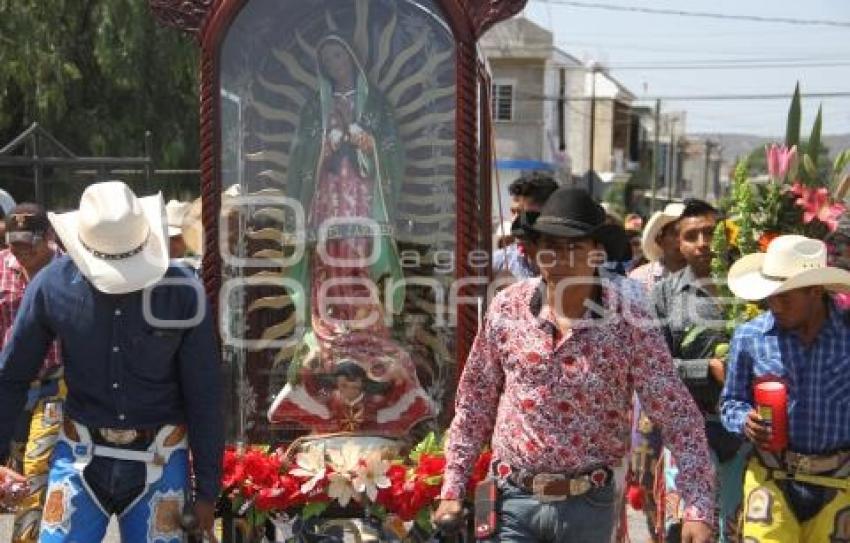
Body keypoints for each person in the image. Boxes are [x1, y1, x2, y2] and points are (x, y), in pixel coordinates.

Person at [434, 187, 716, 543]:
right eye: (551, 246)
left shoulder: (629, 314)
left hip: (590, 506)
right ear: (536, 253)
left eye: (575, 247)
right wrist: (452, 490)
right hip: (511, 501)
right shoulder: (507, 308)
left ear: (597, 253)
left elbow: (677, 414)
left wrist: (698, 508)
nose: (561, 258)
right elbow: (474, 403)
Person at [0, 181, 222, 542]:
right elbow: (11, 374)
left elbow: (205, 393)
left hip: (159, 455)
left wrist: (208, 491)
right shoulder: (53, 286)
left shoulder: (182, 291)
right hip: (81, 452)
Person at [721, 234, 850, 542]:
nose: (775, 305)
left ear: (815, 291)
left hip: (841, 480)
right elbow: (731, 402)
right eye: (771, 296)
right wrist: (744, 421)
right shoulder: (750, 336)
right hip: (770, 476)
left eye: (785, 297)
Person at [651, 199, 746, 542]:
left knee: (738, 530)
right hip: (690, 430)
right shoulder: (663, 295)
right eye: (693, 235)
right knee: (688, 530)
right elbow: (654, 369)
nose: (703, 242)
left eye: (711, 232)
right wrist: (706, 369)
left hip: (747, 433)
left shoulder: (751, 287)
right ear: (678, 242)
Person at [0, 204, 64, 543]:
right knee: (8, 473)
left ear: (50, 238)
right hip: (6, 385)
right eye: (15, 242)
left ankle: (25, 539)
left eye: (31, 242)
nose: (22, 250)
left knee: (37, 467)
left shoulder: (69, 270)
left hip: (54, 385)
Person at [624, 202, 687, 543]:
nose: (683, 240)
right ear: (661, 238)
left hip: (691, 396)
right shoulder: (638, 280)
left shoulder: (706, 279)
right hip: (645, 402)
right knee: (647, 478)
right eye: (676, 232)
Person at [493, 173, 559, 280]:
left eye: (523, 215)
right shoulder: (499, 262)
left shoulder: (569, 263)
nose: (514, 221)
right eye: (513, 213)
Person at [630, 203, 687, 291]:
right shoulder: (639, 278)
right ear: (659, 239)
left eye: (688, 235)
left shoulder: (704, 278)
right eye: (675, 233)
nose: (681, 240)